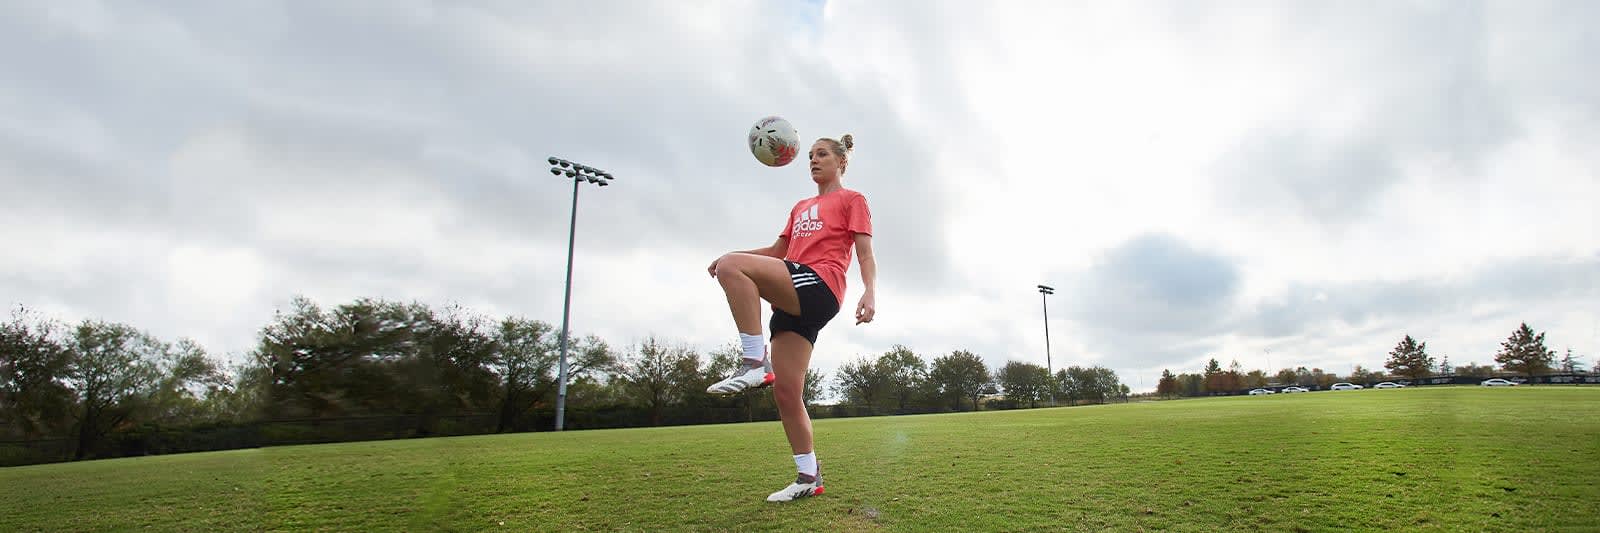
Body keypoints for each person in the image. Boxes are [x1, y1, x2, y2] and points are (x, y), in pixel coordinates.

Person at [704, 134, 876, 502]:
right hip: (793, 297)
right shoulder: (800, 207)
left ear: (841, 162)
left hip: (820, 284)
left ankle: (753, 362)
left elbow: (864, 253)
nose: (814, 160)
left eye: (822, 154)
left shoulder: (852, 199)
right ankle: (808, 477)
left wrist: (869, 291)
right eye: (810, 156)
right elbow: (776, 253)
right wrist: (728, 257)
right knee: (786, 393)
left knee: (734, 267)